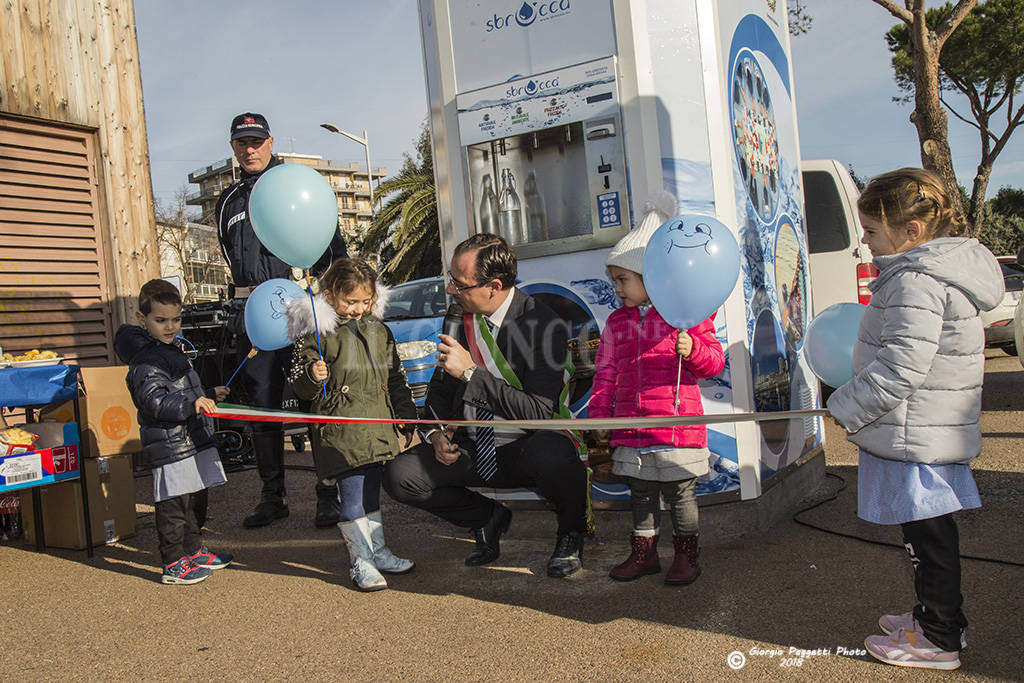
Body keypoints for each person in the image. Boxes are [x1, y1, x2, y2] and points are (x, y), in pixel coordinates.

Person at [827, 168, 1004, 671]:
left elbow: (903, 366)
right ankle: (934, 617)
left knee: (929, 540)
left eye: (872, 233)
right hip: (923, 428)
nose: (865, 243)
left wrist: (846, 405)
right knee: (924, 536)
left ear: (912, 233)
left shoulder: (917, 280)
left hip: (918, 432)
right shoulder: (929, 271)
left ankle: (941, 637)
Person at [384, 234, 589, 578]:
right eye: (451, 280)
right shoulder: (460, 317)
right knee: (400, 476)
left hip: (524, 446)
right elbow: (439, 388)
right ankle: (487, 517)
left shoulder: (544, 324)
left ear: (494, 286)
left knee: (553, 455)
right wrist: (435, 434)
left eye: (459, 284)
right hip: (472, 446)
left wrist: (469, 372)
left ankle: (571, 533)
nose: (450, 290)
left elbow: (538, 413)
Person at [215, 112, 348, 529]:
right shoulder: (227, 202)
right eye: (241, 143)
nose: (249, 149)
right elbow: (230, 260)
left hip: (300, 313)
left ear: (270, 142)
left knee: (314, 400)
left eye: (256, 141)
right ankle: (273, 497)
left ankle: (328, 492)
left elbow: (333, 252)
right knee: (262, 409)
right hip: (255, 319)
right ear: (233, 147)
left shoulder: (297, 184)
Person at [589, 203, 725, 585]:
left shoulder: (687, 314)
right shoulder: (617, 322)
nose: (616, 288)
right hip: (633, 429)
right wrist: (599, 420)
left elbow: (713, 363)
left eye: (622, 279)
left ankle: (687, 557)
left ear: (652, 277)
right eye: (614, 280)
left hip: (677, 429)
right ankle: (644, 555)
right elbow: (605, 374)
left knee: (682, 495)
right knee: (642, 494)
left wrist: (692, 349)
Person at [287, 258, 418, 591]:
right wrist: (311, 376)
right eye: (351, 301)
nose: (359, 308)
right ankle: (360, 560)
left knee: (371, 494)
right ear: (331, 295)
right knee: (353, 498)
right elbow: (299, 386)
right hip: (341, 430)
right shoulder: (316, 332)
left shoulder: (379, 330)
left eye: (365, 301)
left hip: (376, 426)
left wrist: (404, 414)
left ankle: (378, 550)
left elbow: (396, 377)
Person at [114, 279, 234, 585]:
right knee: (173, 505)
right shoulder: (145, 360)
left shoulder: (172, 349)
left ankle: (192, 550)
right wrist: (192, 404)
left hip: (190, 438)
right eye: (161, 320)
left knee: (195, 499)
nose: (170, 327)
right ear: (142, 320)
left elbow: (177, 390)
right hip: (169, 444)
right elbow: (153, 400)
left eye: (176, 319)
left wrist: (207, 393)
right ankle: (173, 562)